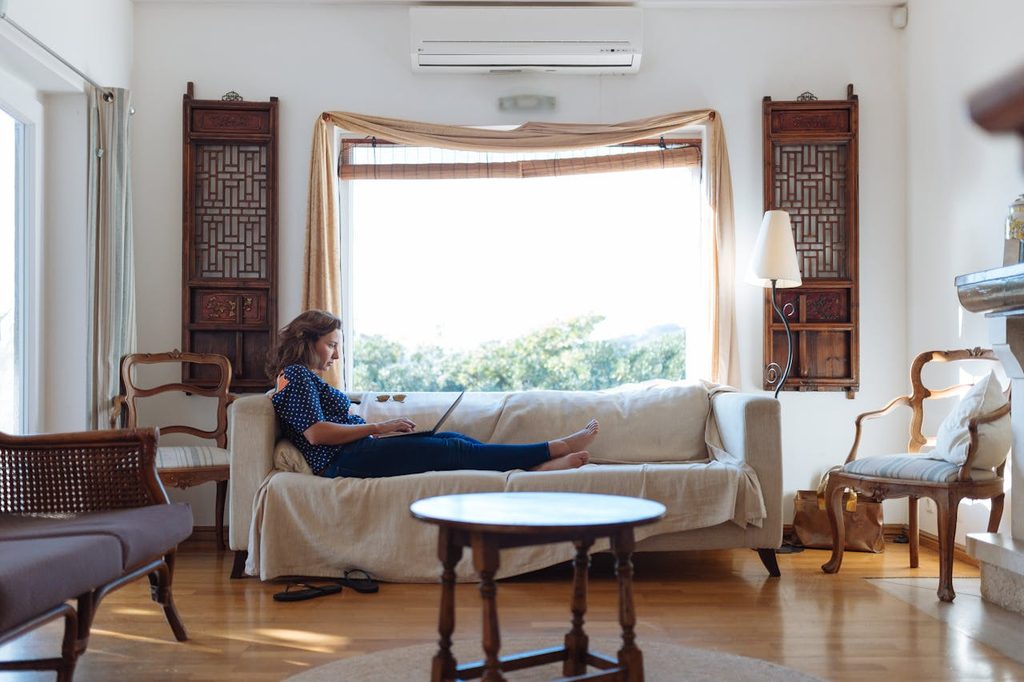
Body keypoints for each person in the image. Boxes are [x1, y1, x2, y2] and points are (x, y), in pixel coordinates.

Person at [266, 310, 599, 478]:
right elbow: (316, 434)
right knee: (453, 448)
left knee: (455, 439)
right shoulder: (294, 375)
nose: (335, 356)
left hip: (358, 451)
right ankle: (553, 448)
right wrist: (379, 428)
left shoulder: (300, 377)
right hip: (344, 461)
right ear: (308, 341)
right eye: (331, 346)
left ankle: (532, 471)